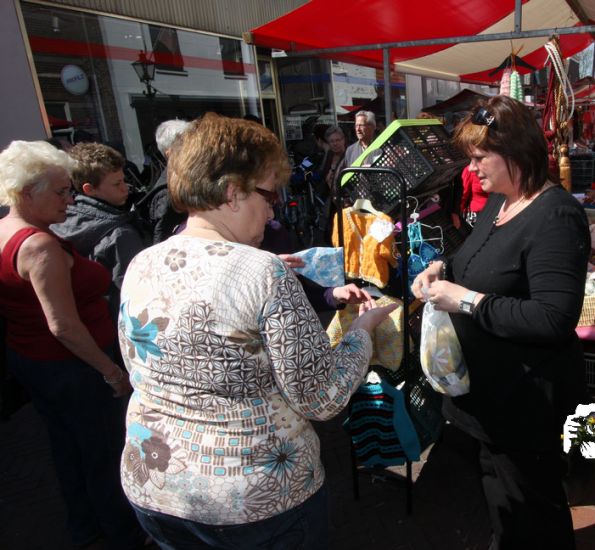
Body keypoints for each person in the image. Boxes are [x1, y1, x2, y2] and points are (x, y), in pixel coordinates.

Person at [118, 113, 396, 549]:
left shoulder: (143, 261)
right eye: (268, 196)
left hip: (155, 484)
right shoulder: (264, 271)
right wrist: (362, 328)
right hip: (253, 499)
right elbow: (322, 396)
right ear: (233, 193)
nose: (272, 211)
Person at [412, 96, 590, 549]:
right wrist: (440, 269)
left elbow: (553, 317)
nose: (471, 170)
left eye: (479, 158)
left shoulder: (556, 216)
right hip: (492, 395)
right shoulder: (500, 202)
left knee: (535, 510)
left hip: (526, 401)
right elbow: (475, 257)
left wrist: (467, 301)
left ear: (515, 153)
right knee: (504, 499)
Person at [0, 140, 144, 549]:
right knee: (103, 452)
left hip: (35, 361)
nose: (71, 199)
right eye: (61, 191)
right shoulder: (39, 245)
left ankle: (85, 525)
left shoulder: (7, 229)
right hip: (73, 368)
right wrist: (109, 370)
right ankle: (123, 533)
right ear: (27, 193)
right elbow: (62, 325)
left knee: (67, 448)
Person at [51, 142, 147, 326]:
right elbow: (135, 292)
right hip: (115, 324)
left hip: (82, 322)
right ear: (89, 189)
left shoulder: (61, 220)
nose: (125, 188)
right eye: (117, 184)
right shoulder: (120, 234)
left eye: (124, 180)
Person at [135, 119, 191, 244]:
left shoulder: (187, 180)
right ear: (171, 153)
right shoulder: (167, 194)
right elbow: (161, 241)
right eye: (189, 144)